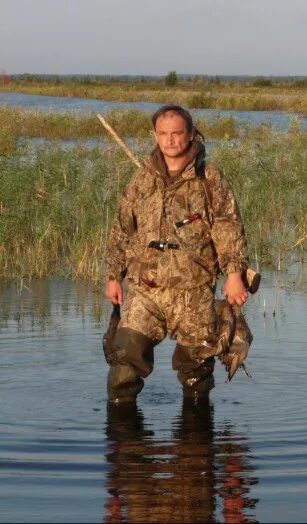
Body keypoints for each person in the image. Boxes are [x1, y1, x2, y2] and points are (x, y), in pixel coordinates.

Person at [103, 104, 249, 403]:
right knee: (125, 361)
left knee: (196, 371)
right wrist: (113, 276)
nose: (170, 140)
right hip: (145, 289)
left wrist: (234, 275)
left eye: (177, 133)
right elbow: (122, 229)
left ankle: (194, 441)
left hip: (193, 291)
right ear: (155, 135)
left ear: (191, 134)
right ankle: (123, 442)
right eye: (163, 134)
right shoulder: (142, 179)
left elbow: (228, 228)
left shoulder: (209, 179)